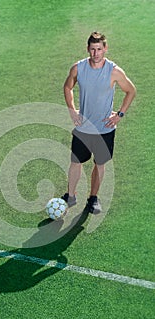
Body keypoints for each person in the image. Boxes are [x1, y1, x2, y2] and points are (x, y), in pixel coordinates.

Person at [62, 31, 136, 214]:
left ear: (105, 49)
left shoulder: (114, 71)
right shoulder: (78, 68)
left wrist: (119, 114)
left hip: (105, 128)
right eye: (92, 49)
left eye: (99, 49)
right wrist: (72, 109)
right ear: (88, 49)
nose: (96, 53)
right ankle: (70, 196)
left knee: (99, 164)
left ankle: (93, 198)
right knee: (75, 162)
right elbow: (67, 86)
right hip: (83, 126)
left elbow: (131, 91)